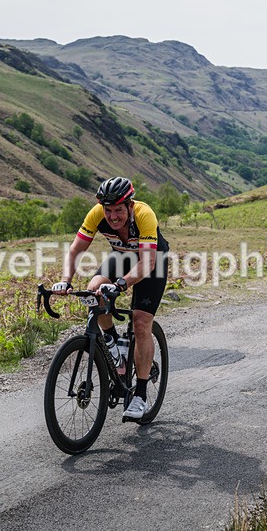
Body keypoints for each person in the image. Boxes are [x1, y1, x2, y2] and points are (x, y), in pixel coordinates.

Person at [51, 177, 169, 420]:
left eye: (118, 210)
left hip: (152, 262)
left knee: (140, 322)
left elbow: (147, 263)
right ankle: (114, 344)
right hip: (122, 256)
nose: (113, 217)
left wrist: (121, 284)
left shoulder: (144, 214)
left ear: (129, 206)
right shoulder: (96, 214)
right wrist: (66, 280)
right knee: (94, 290)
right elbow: (75, 250)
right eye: (108, 211)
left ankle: (140, 395)